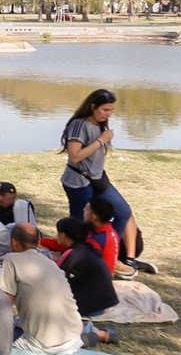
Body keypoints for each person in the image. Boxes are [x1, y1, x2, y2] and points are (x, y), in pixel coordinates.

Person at [59, 89, 156, 274]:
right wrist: (101, 140)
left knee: (123, 211)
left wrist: (101, 139)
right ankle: (79, 261)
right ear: (93, 106)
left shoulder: (100, 125)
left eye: (111, 110)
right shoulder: (80, 124)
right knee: (80, 225)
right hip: (79, 181)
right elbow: (74, 156)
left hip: (98, 180)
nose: (108, 114)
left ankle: (110, 254)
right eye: (105, 110)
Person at [0, 224, 114, 354]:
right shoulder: (50, 263)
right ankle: (97, 335)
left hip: (43, 345)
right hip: (72, 334)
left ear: (14, 242)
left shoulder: (11, 260)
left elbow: (3, 305)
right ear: (38, 242)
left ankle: (91, 337)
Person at [53, 217, 120, 318]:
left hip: (90, 307)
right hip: (103, 303)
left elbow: (54, 275)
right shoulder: (86, 248)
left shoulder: (74, 252)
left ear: (63, 234)